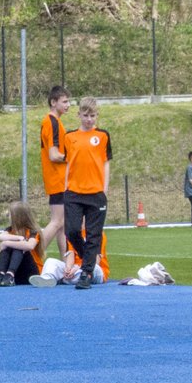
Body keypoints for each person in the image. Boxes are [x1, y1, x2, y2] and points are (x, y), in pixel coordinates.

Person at [61, 97, 110, 290]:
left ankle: (87, 273)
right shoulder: (69, 137)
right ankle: (86, 257)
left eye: (92, 115)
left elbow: (106, 162)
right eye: (85, 115)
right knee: (72, 230)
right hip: (73, 191)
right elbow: (69, 164)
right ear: (79, 115)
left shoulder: (103, 136)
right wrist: (66, 187)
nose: (89, 119)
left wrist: (104, 189)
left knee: (93, 234)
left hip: (95, 193)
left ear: (97, 115)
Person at [37, 85, 71, 254]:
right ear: (53, 102)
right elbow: (53, 154)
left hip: (57, 179)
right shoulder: (52, 122)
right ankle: (32, 254)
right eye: (64, 101)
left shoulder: (52, 122)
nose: (68, 105)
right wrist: (72, 158)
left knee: (63, 224)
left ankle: (67, 264)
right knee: (57, 221)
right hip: (58, 179)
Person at [0, 200, 43, 286]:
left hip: (32, 272)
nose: (9, 216)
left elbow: (30, 246)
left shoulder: (33, 231)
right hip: (18, 274)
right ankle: (1, 274)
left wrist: (7, 243)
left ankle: (10, 274)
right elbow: (0, 237)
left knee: (18, 247)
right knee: (9, 246)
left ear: (18, 217)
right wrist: (18, 238)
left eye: (10, 214)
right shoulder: (10, 230)